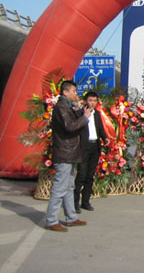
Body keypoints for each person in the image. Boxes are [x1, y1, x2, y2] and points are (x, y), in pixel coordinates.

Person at [45, 80, 91, 232]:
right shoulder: (61, 107)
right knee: (60, 187)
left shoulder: (68, 106)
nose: (76, 94)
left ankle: (71, 217)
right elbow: (69, 126)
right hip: (64, 153)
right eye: (73, 91)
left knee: (69, 186)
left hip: (70, 152)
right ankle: (51, 220)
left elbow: (73, 120)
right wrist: (85, 118)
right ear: (65, 92)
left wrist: (80, 109)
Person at [74, 91, 108, 213]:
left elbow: (100, 128)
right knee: (81, 175)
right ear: (85, 101)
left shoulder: (97, 114)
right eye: (90, 100)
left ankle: (85, 201)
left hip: (95, 146)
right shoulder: (80, 113)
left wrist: (105, 138)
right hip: (84, 147)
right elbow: (76, 128)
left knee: (90, 176)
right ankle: (74, 203)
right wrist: (84, 117)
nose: (92, 103)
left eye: (94, 101)